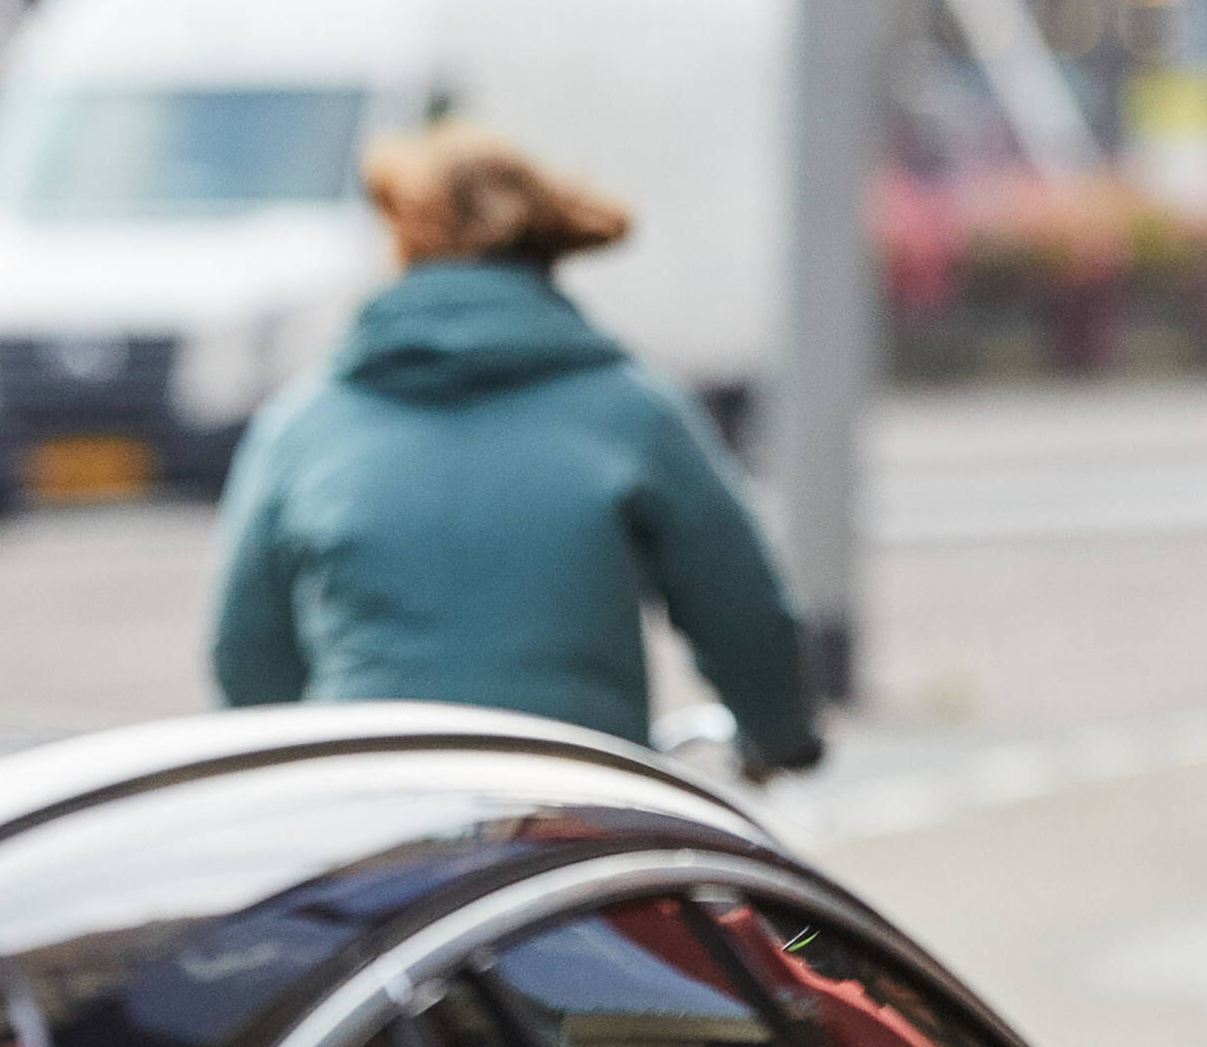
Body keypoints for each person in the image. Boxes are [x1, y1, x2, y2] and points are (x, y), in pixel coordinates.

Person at [207, 123, 823, 775]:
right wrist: (780, 738)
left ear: (403, 244)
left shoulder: (303, 425)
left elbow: (248, 657)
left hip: (374, 811)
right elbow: (744, 613)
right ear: (547, 253)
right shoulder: (633, 412)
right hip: (575, 810)